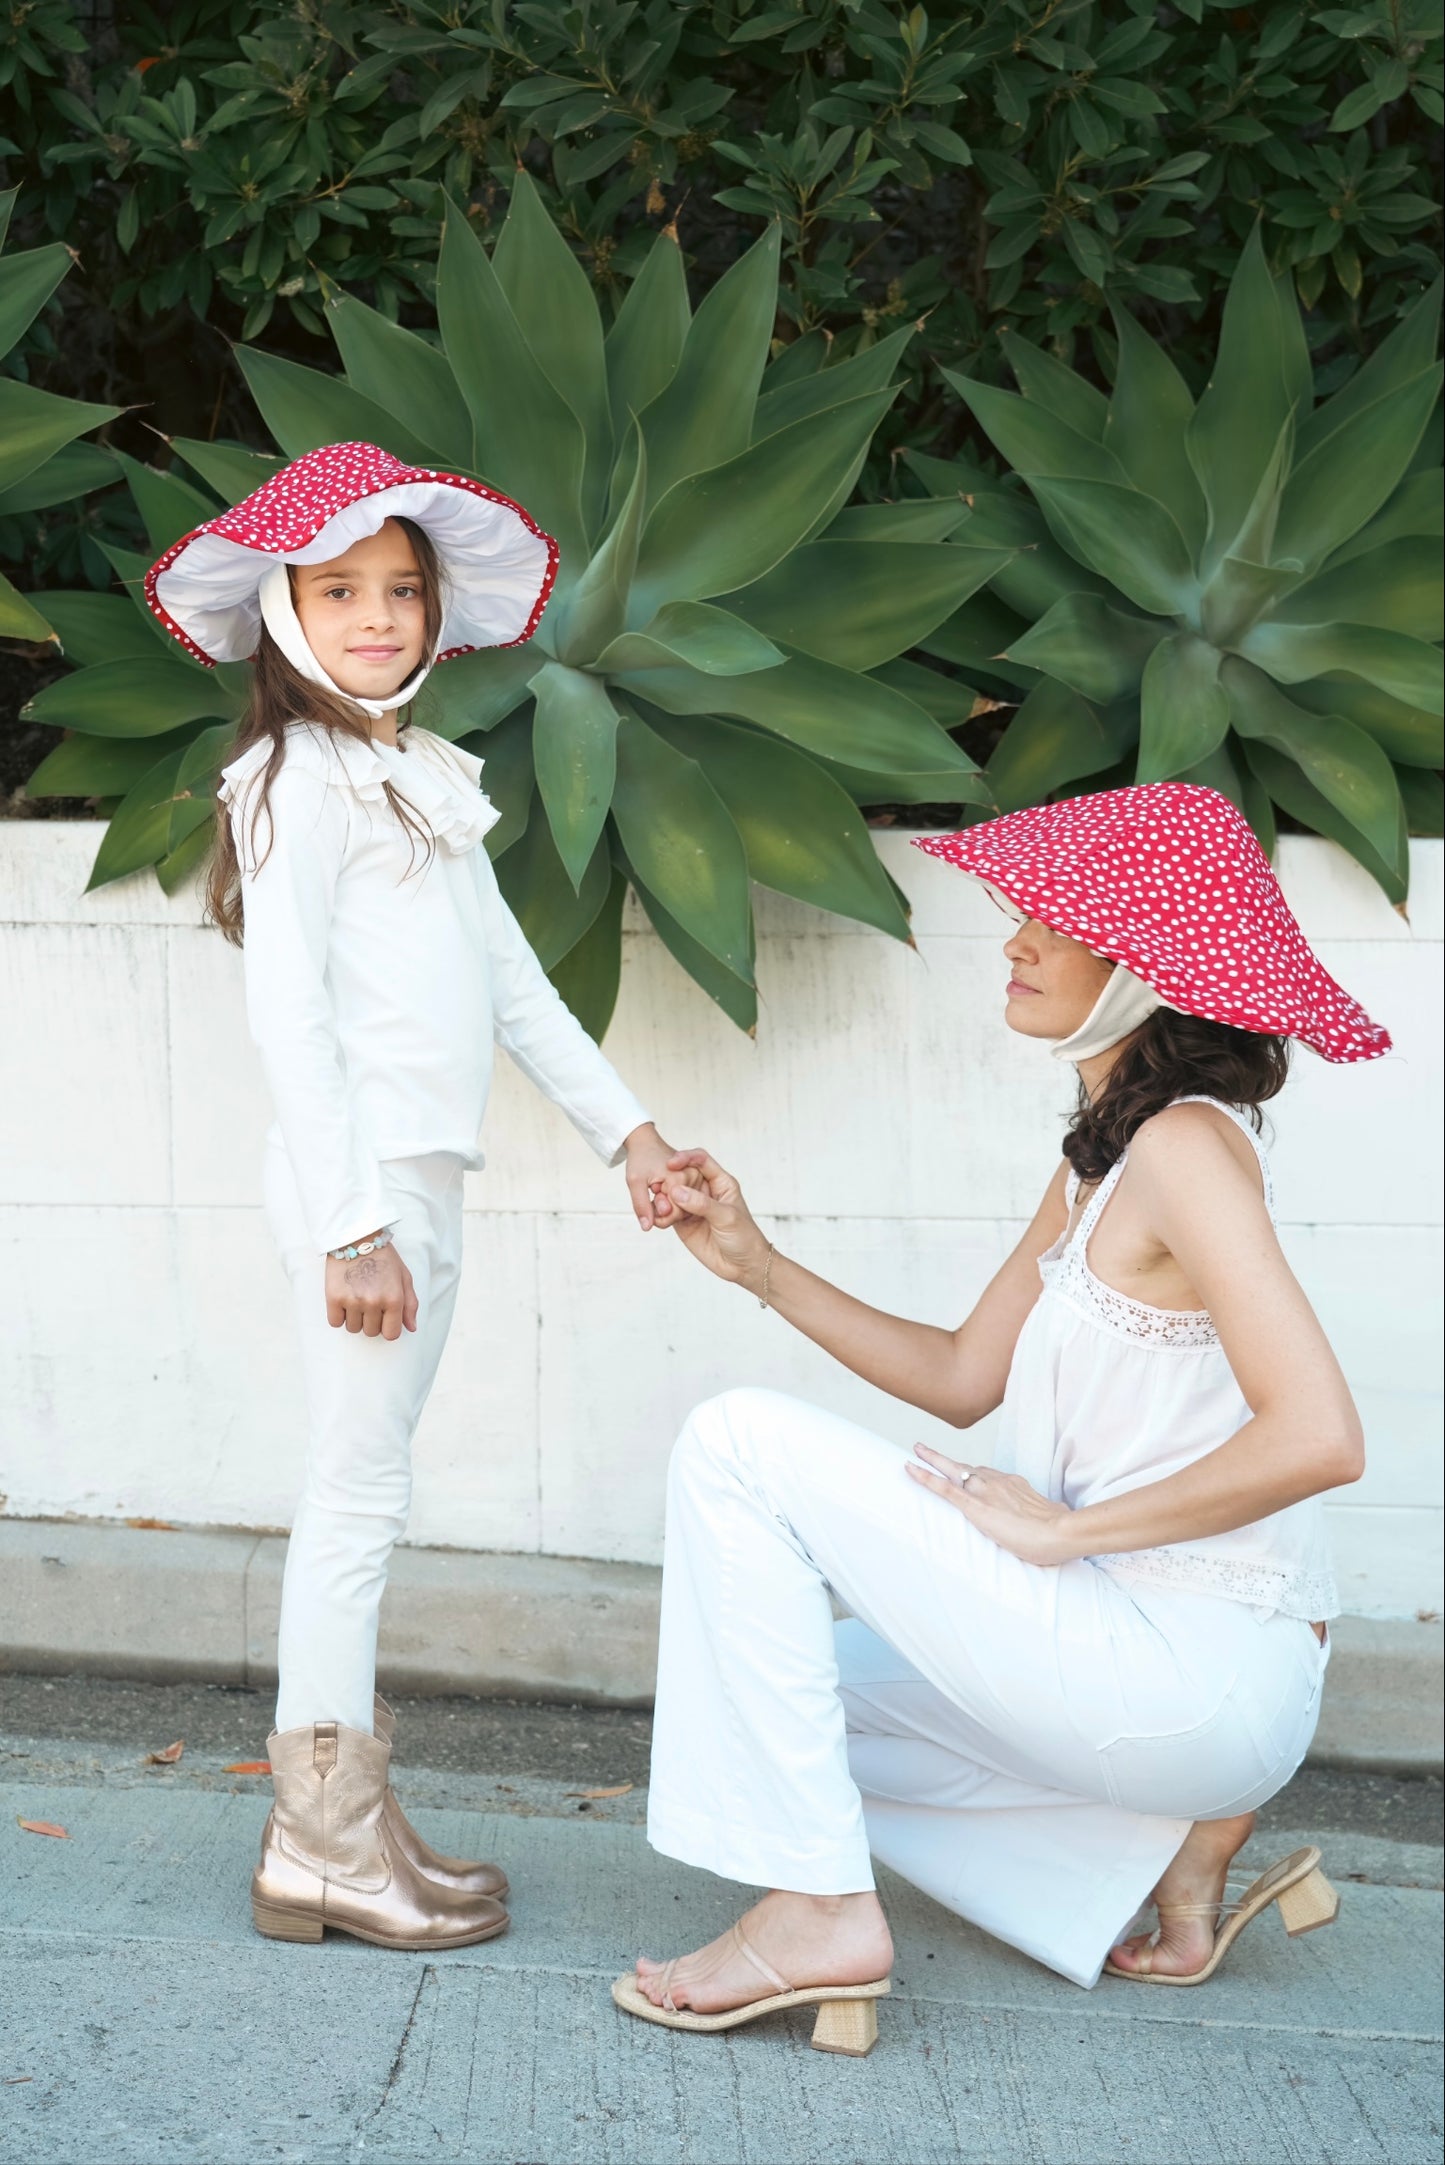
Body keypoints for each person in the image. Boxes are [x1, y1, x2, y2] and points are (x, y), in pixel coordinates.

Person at [612, 782, 1390, 2056]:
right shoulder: (1106, 1152)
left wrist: (1066, 1536)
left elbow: (1318, 1432)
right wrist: (756, 1263)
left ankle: (818, 1916)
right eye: (1019, 913)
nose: (1015, 941)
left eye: (1052, 918)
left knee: (735, 1441)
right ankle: (1162, 1849)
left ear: (1144, 962)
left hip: (1193, 1661)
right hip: (1143, 1663)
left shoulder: (1186, 1146)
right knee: (780, 1712)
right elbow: (969, 1370)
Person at [146, 442, 676, 1951]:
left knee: (365, 1492)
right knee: (355, 1499)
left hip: (415, 1182)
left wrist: (626, 1134)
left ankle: (351, 1814)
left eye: (399, 589)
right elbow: (287, 1024)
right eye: (340, 590)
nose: (376, 615)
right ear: (286, 611)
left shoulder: (408, 772)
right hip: (362, 1192)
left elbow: (510, 979)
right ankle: (317, 1837)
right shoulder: (291, 782)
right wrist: (349, 1224)